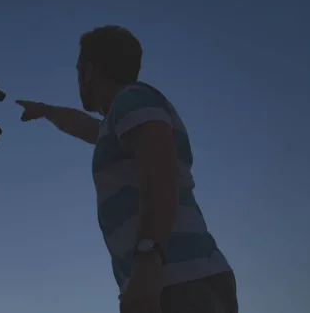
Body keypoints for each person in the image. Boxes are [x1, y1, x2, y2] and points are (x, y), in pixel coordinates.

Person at [16, 26, 238, 313]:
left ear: (88, 70)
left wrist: (147, 261)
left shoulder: (132, 99)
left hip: (178, 279)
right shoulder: (124, 115)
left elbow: (160, 172)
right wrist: (44, 110)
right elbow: (84, 126)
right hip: (172, 278)